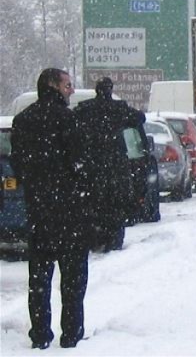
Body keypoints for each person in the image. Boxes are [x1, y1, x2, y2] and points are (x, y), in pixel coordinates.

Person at [10, 68, 91, 349]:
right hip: (69, 211)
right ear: (53, 85)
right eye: (67, 85)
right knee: (73, 279)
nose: (71, 90)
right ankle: (71, 333)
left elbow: (18, 164)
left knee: (39, 279)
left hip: (38, 211)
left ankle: (41, 334)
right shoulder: (68, 120)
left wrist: (36, 184)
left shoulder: (22, 121)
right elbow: (80, 162)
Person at [74, 77, 145, 252]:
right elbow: (139, 118)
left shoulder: (85, 109)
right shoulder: (119, 109)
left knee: (92, 203)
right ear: (110, 90)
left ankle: (94, 236)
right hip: (115, 165)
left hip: (91, 165)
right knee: (116, 204)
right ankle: (113, 239)